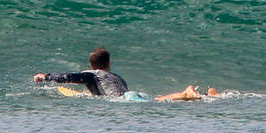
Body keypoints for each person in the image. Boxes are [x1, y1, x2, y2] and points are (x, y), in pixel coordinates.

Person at [32, 46, 218, 101]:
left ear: (91, 65)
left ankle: (186, 93)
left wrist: (46, 76)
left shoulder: (91, 74)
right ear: (109, 63)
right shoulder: (116, 77)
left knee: (158, 102)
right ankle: (207, 95)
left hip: (127, 99)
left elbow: (70, 77)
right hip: (132, 94)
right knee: (158, 99)